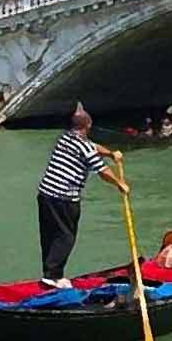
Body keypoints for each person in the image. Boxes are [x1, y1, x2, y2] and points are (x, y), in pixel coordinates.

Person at [37, 103, 130, 289]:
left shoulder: (65, 138)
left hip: (45, 193)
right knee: (66, 236)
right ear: (87, 127)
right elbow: (102, 170)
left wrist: (111, 153)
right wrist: (120, 184)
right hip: (64, 198)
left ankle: (49, 273)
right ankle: (54, 277)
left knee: (49, 234)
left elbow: (92, 147)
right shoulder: (85, 148)